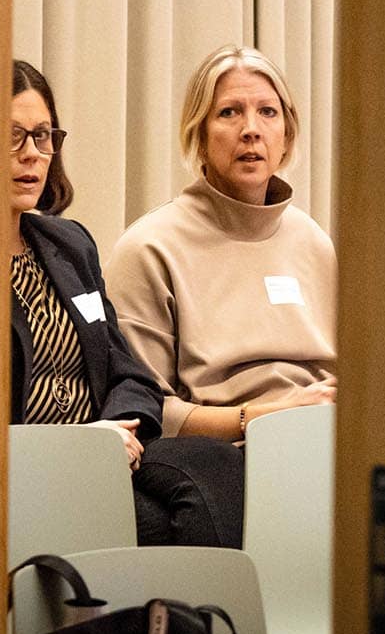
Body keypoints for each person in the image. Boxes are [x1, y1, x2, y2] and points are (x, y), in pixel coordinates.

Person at [7, 60, 247, 547]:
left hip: (111, 447)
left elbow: (129, 372)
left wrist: (115, 432)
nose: (32, 154)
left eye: (43, 136)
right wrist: (84, 445)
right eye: (13, 136)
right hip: (28, 461)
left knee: (219, 463)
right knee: (163, 524)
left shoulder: (69, 244)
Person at [103, 45, 337, 448]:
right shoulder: (149, 248)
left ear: (287, 135)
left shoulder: (313, 241)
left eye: (268, 112)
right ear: (199, 135)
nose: (251, 129)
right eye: (229, 112)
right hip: (222, 452)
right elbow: (148, 411)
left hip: (320, 443)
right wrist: (264, 418)